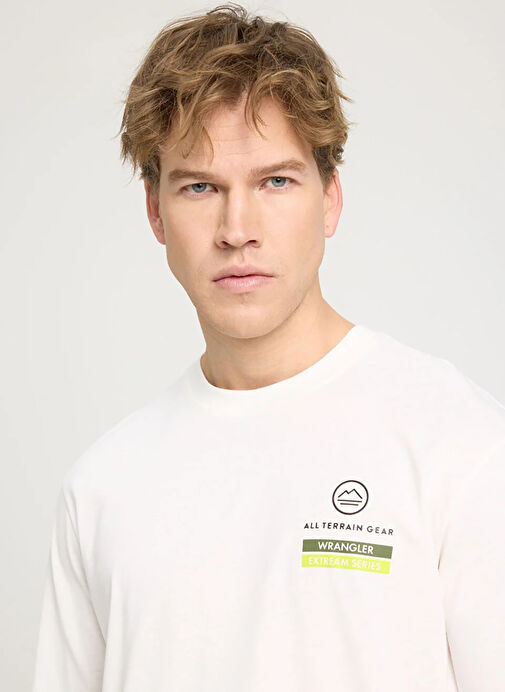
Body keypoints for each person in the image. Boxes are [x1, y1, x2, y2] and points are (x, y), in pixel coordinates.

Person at [32, 4, 505, 691]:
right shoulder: (102, 488)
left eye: (275, 181)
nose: (237, 229)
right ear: (156, 212)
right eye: (200, 187)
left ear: (329, 199)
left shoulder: (458, 443)